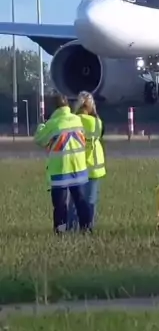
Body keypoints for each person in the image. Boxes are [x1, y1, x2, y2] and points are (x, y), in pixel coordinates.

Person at [34, 93, 91, 233]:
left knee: (60, 205)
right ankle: (87, 228)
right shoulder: (77, 120)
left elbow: (39, 139)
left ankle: (60, 231)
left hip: (60, 169)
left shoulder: (53, 123)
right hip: (78, 168)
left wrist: (42, 125)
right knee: (81, 201)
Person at [67, 91, 106, 230]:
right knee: (90, 201)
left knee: (74, 201)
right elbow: (100, 134)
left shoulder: (72, 121)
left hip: (76, 166)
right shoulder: (97, 122)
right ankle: (88, 228)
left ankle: (71, 227)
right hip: (94, 167)